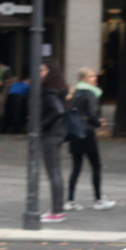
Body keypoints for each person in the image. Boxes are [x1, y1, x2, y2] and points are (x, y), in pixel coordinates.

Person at [66, 67, 116, 211]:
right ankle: (98, 199)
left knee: (76, 167)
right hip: (87, 133)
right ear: (84, 79)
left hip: (75, 133)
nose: (95, 79)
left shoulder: (74, 92)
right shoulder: (90, 93)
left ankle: (70, 200)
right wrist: (99, 123)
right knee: (96, 166)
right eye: (91, 77)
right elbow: (92, 115)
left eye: (94, 76)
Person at [37, 60, 69, 222]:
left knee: (53, 173)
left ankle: (57, 211)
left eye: (43, 70)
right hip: (57, 133)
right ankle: (57, 209)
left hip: (51, 134)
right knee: (55, 172)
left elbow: (58, 111)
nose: (39, 73)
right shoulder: (58, 89)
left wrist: (42, 124)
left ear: (51, 72)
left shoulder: (49, 91)